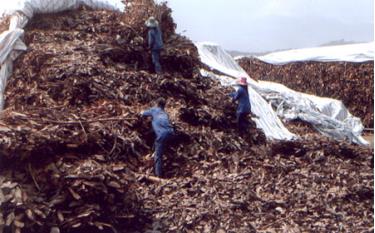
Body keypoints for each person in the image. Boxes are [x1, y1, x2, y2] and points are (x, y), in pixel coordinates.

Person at [141, 97, 174, 177]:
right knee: (158, 142)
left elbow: (143, 113)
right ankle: (155, 153)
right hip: (171, 132)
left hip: (162, 135)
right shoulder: (165, 113)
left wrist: (141, 112)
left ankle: (158, 176)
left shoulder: (154, 110)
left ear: (157, 104)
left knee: (158, 156)